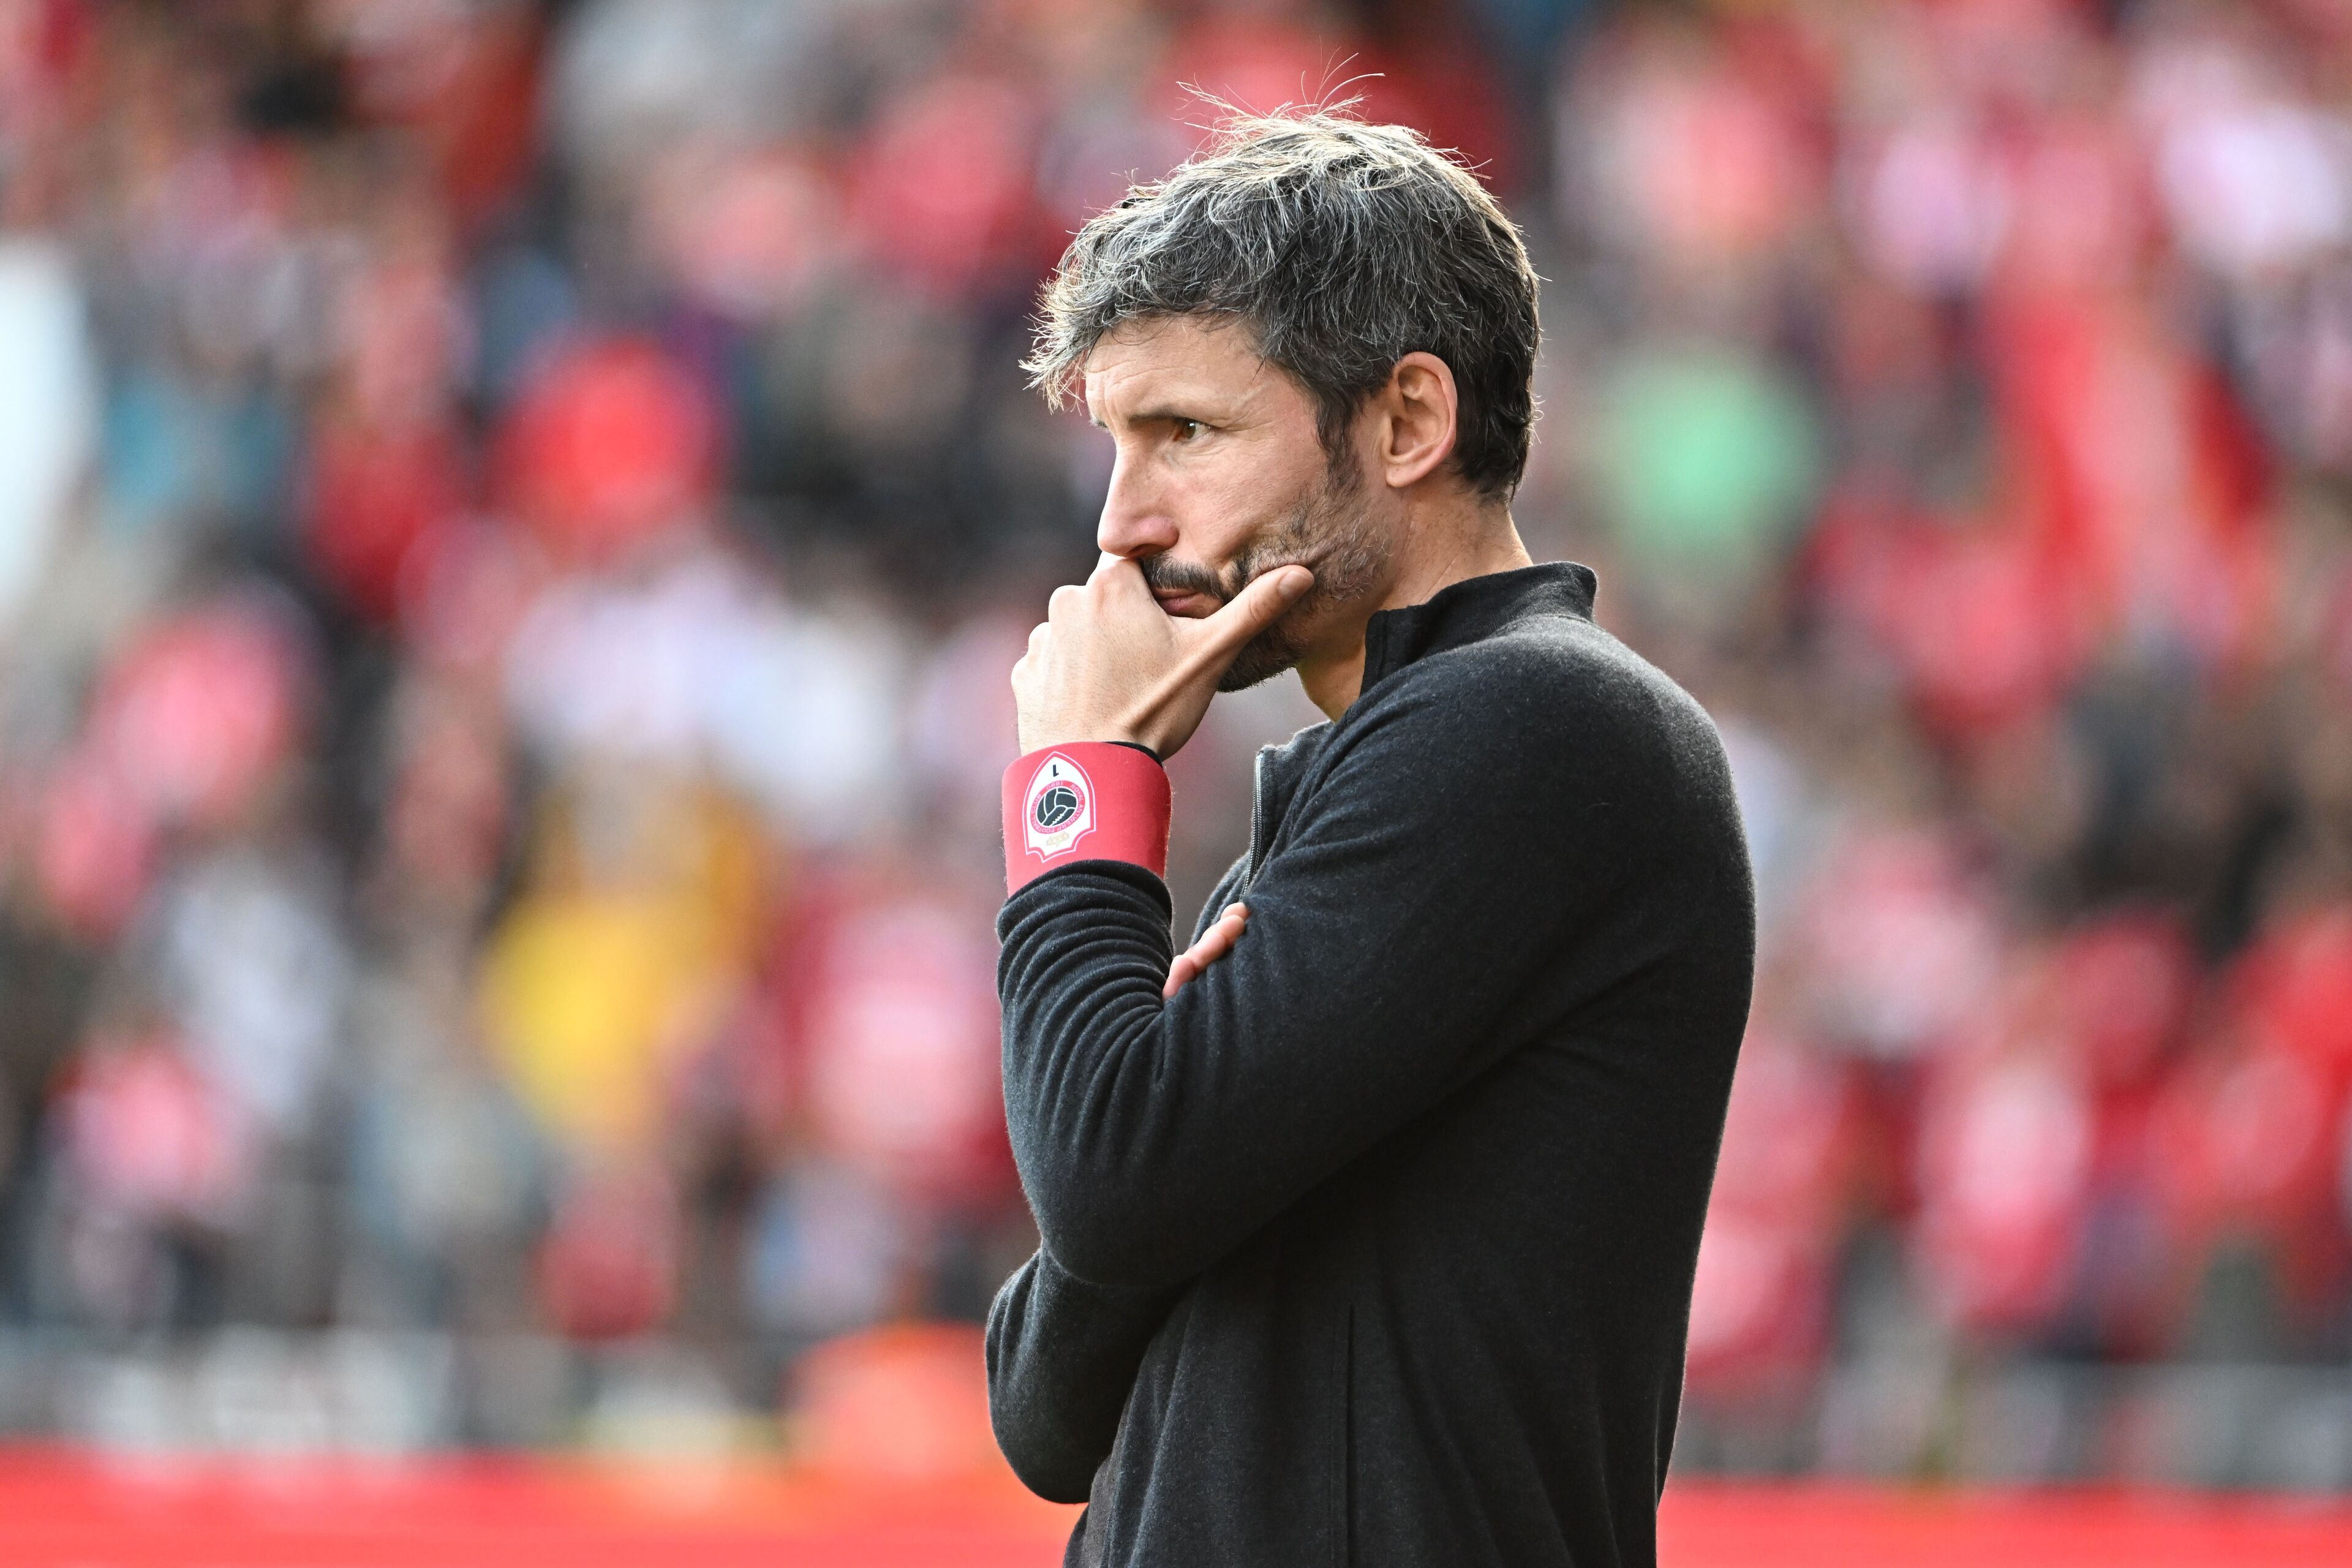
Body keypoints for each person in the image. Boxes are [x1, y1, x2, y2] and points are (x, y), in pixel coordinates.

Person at [985, 109, 1755, 1568]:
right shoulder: (1363, 792)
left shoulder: (1542, 729)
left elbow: (1108, 1182)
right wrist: (1163, 1109)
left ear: (1407, 421)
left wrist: (1076, 786)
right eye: (1117, 447)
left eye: (1186, 434)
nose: (1121, 526)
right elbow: (1043, 1408)